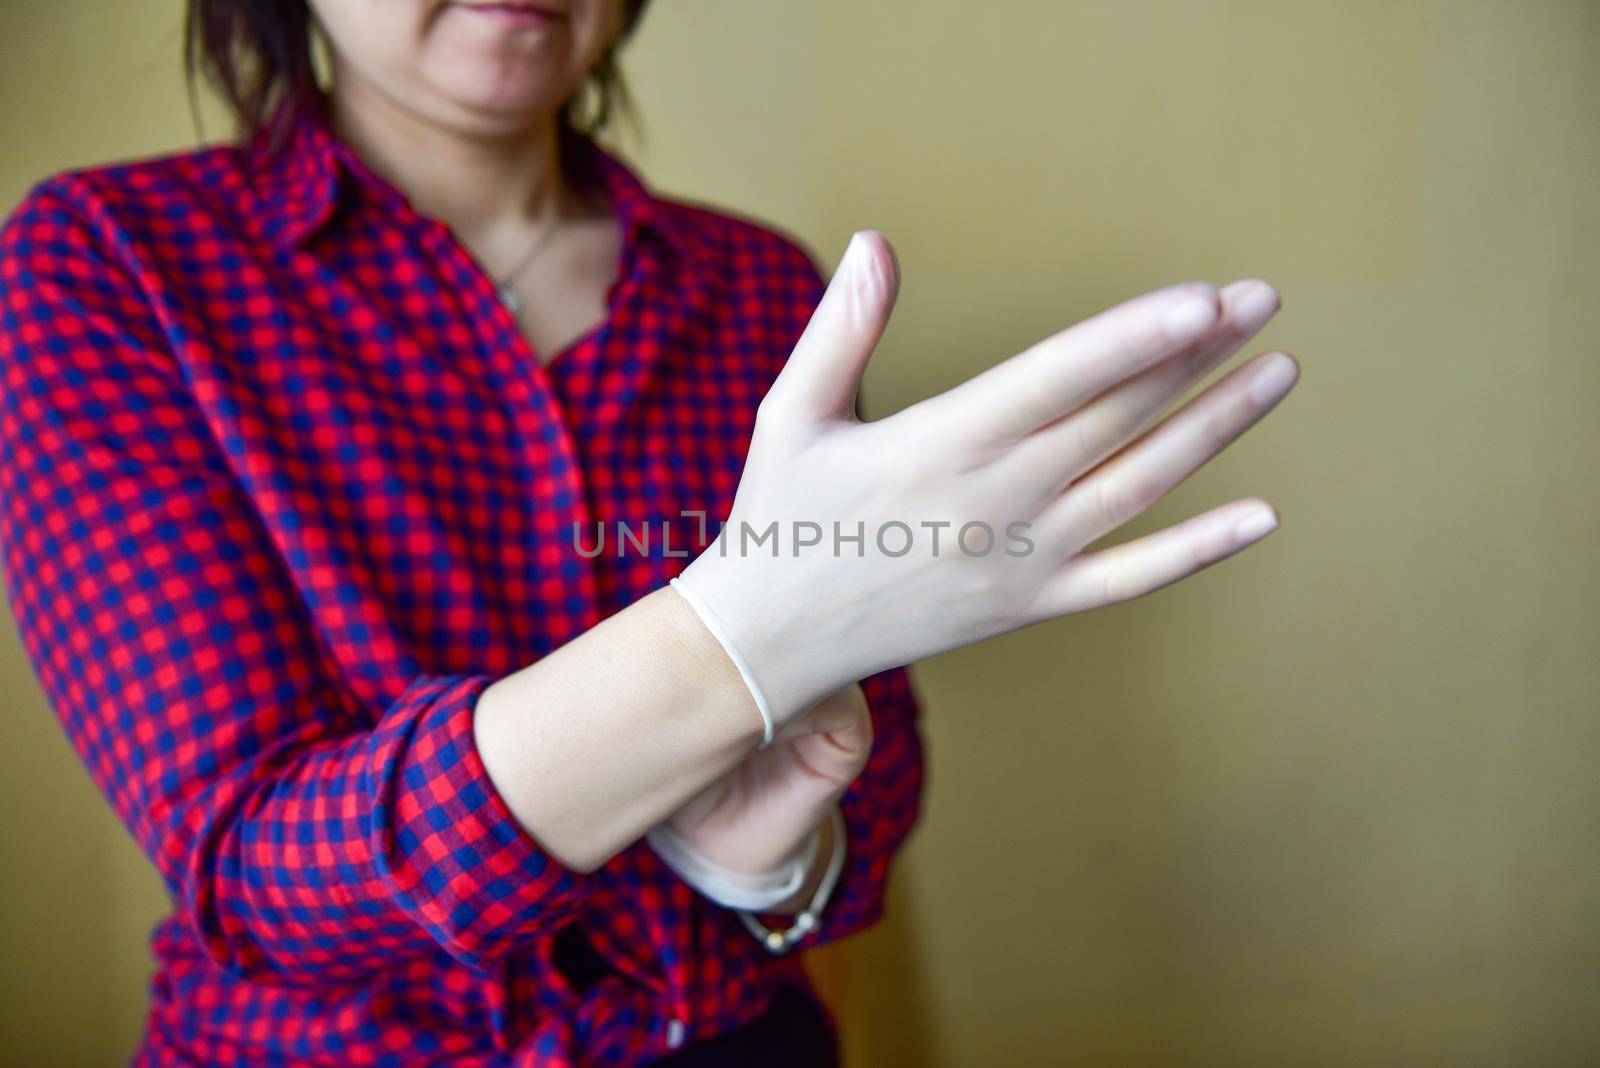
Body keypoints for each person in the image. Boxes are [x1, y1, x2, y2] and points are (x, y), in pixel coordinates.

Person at [0, 1, 1297, 1064]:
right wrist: (726, 643)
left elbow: (878, 754)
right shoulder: (107, 265)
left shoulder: (757, 293)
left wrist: (778, 859)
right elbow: (254, 868)